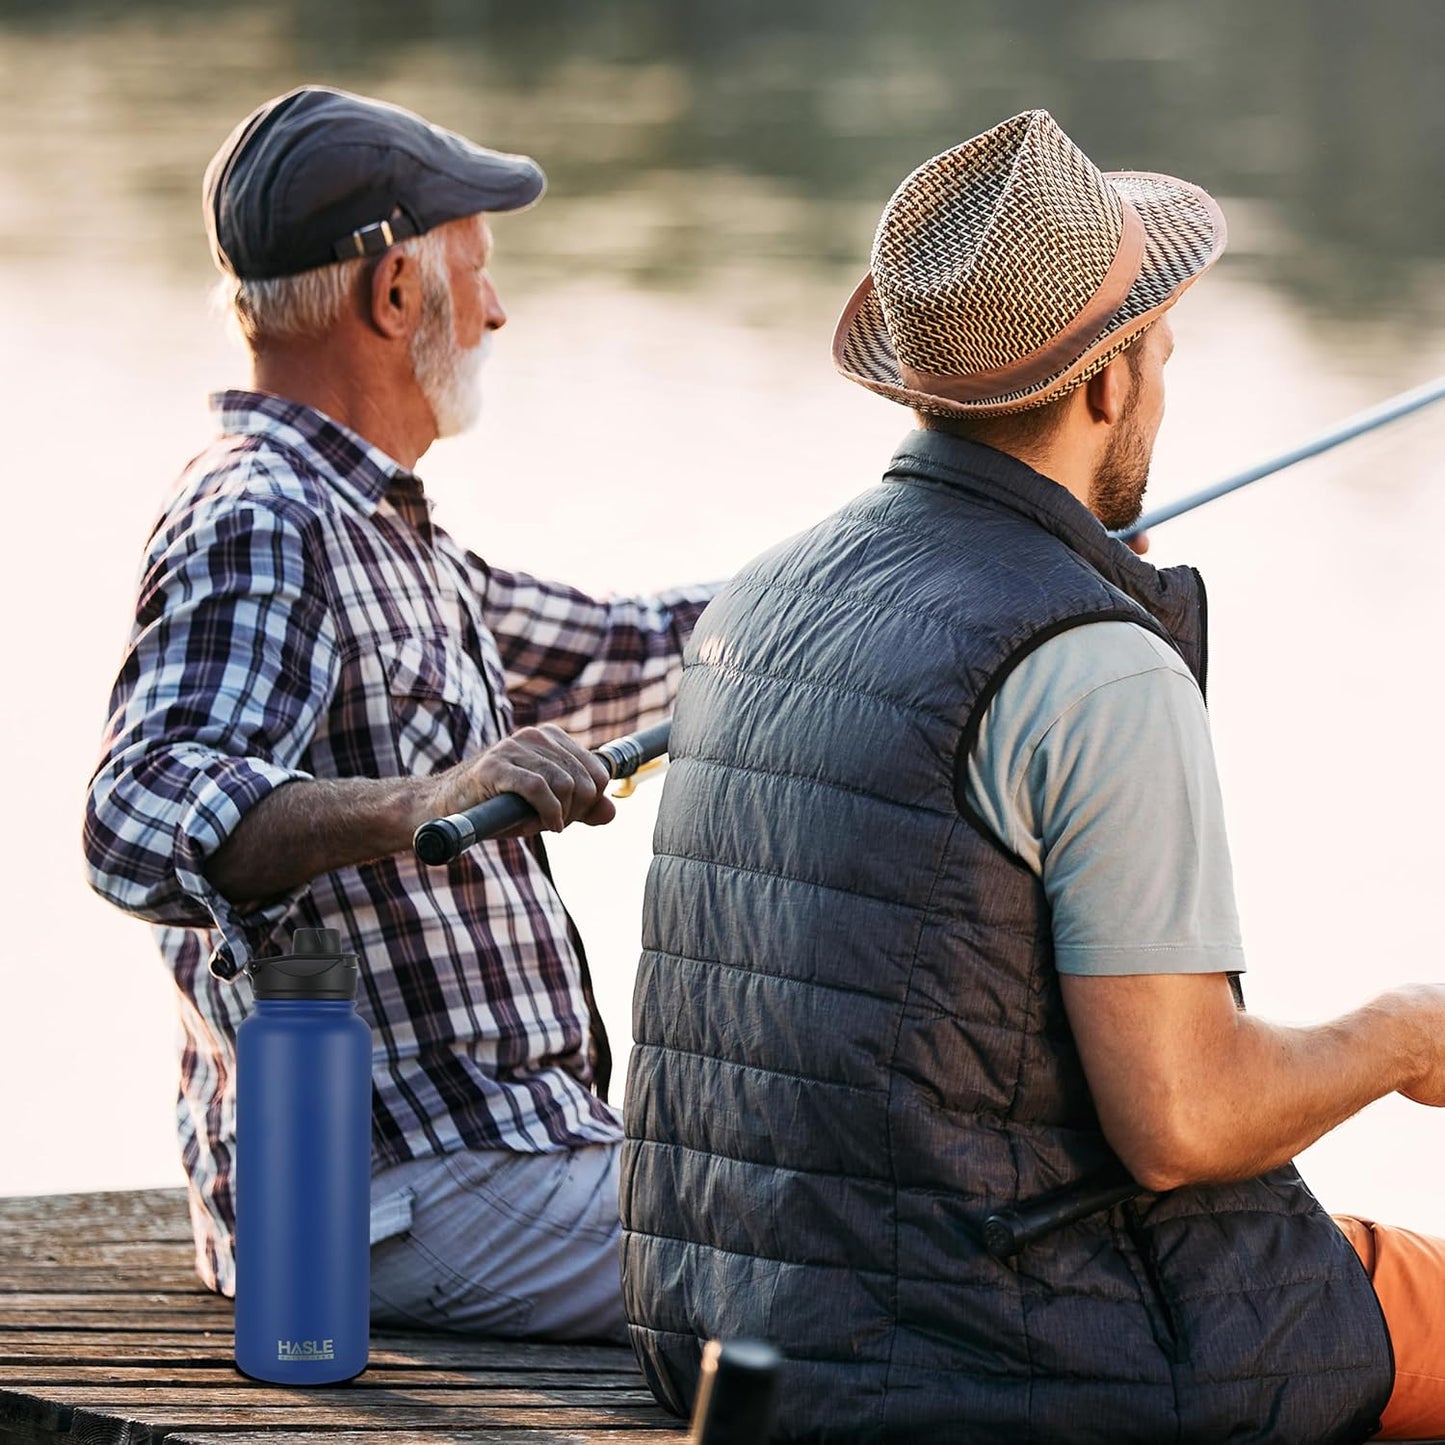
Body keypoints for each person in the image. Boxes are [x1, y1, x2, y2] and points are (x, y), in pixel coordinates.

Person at [619, 110, 1445, 1442]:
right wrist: (1402, 1033)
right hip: (1003, 1357)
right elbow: (1182, 1117)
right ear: (1105, 384)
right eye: (1160, 348)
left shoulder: (755, 598)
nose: (1164, 379)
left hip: (733, 1334)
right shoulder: (1094, 668)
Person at [82, 85, 714, 1343]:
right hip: (383, 1197)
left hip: (499, 1165)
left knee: (844, 1213)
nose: (495, 308)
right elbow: (134, 810)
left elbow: (632, 647)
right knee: (852, 1254)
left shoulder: (383, 532)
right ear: (391, 294)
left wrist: (902, 573)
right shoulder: (263, 518)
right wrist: (428, 798)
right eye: (476, 272)